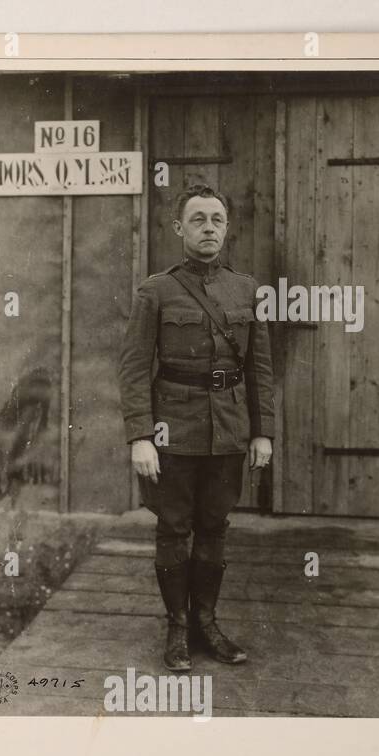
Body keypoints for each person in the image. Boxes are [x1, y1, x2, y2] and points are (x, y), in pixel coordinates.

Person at [117, 184, 275, 671]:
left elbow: (259, 367)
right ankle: (177, 628)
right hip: (173, 432)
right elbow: (135, 366)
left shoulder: (246, 289)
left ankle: (206, 622)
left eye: (217, 219)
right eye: (199, 219)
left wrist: (262, 430)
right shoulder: (157, 290)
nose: (209, 227)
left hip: (228, 429)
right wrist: (140, 436)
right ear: (179, 228)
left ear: (227, 228)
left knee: (214, 526)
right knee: (173, 527)